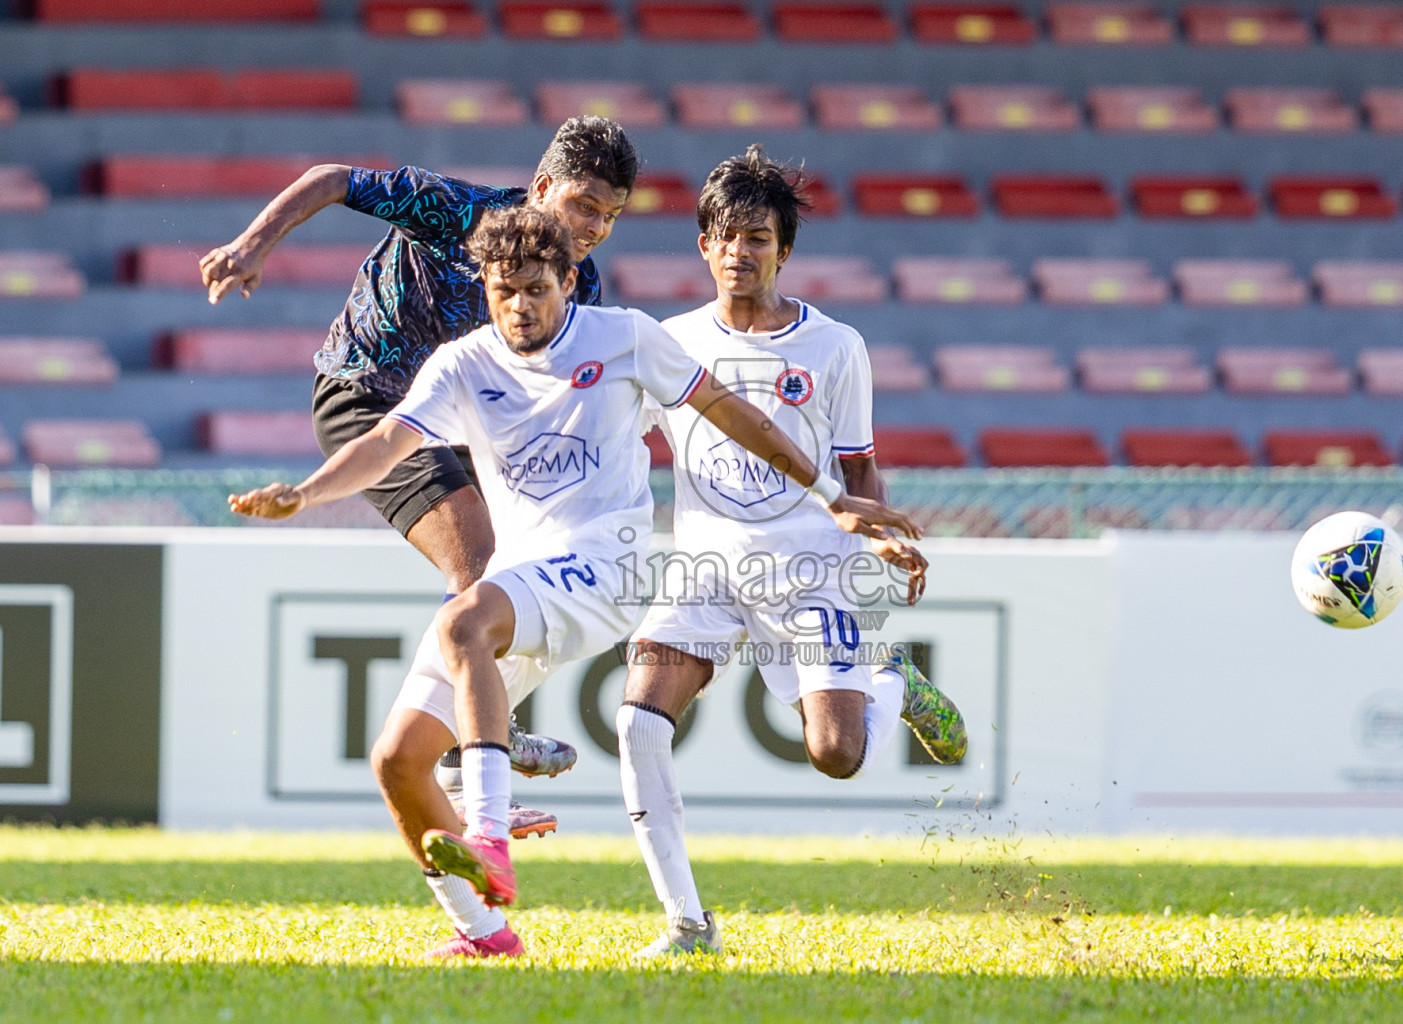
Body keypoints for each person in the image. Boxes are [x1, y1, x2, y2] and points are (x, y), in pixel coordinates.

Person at [228, 205, 922, 959]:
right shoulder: (463, 363)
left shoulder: (621, 336)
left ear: (567, 283)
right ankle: (488, 935)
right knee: (397, 760)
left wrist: (829, 496)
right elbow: (388, 441)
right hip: (524, 583)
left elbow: (731, 414)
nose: (520, 306)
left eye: (536, 289)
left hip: (607, 567)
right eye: (503, 291)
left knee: (462, 624)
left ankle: (489, 834)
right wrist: (305, 493)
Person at [202, 116, 638, 833]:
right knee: (480, 558)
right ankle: (471, 763)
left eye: (611, 215)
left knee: (522, 574)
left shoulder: (577, 281)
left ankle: (474, 732)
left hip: (466, 424)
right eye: (584, 204)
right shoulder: (458, 212)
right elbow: (331, 179)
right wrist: (251, 248)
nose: (594, 225)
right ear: (542, 187)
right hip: (367, 395)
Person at [619, 146, 969, 958]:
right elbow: (616, 440)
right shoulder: (668, 344)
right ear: (702, 245)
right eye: (727, 236)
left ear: (783, 250)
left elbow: (857, 465)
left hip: (809, 570)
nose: (741, 252)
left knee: (836, 755)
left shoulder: (835, 346)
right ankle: (685, 924)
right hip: (704, 564)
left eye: (760, 238)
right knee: (637, 721)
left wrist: (880, 533)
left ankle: (893, 682)